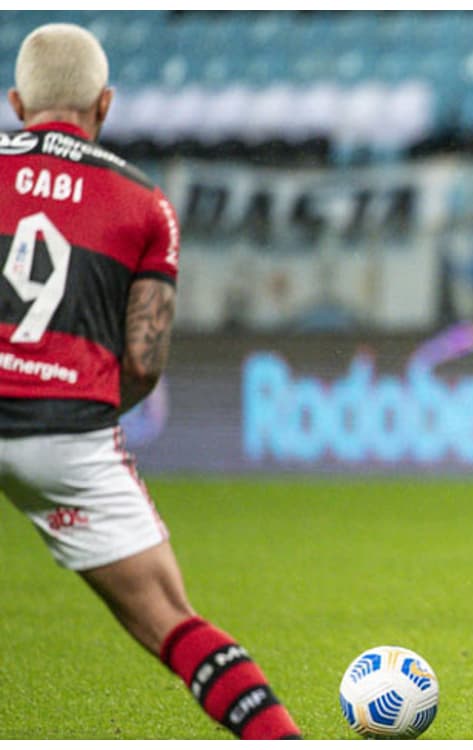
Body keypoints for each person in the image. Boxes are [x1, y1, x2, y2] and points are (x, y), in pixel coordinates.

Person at [0, 24, 301, 740]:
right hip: (66, 434)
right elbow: (143, 361)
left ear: (16, 103)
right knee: (173, 622)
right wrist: (84, 401)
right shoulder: (145, 204)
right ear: (105, 105)